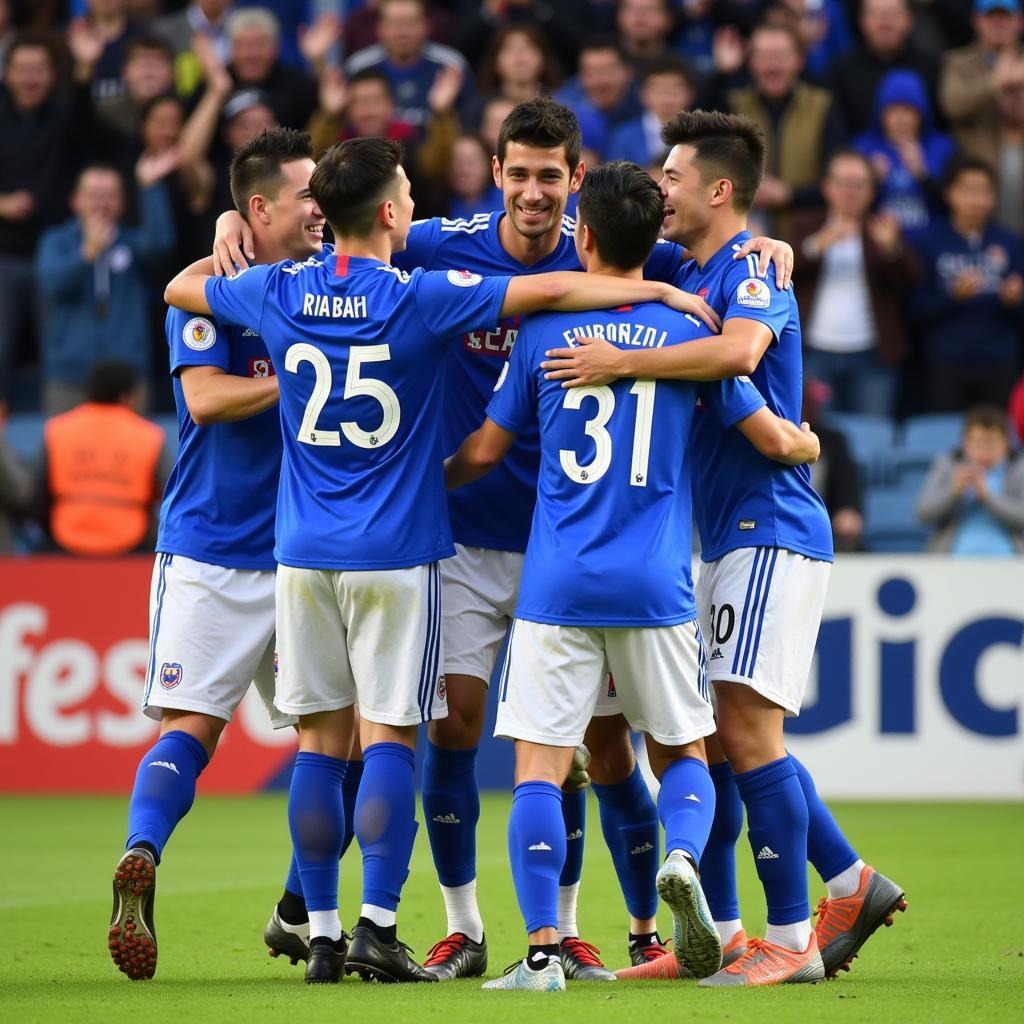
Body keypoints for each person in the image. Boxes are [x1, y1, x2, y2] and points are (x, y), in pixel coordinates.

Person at [211, 96, 793, 983]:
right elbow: (348, 207)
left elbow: (719, 247)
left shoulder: (624, 244)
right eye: (517, 174)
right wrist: (231, 216)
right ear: (496, 173)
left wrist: (769, 247)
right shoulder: (446, 244)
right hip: (481, 542)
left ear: (578, 182)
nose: (531, 193)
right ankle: (464, 926)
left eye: (548, 178)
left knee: (595, 750)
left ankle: (618, 930)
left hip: (561, 541)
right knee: (456, 722)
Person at [542, 109, 906, 986]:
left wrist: (624, 363)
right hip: (720, 536)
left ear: (719, 189)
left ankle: (791, 936)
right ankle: (814, 896)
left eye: (672, 177)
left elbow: (741, 350)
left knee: (743, 732)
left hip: (770, 525)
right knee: (712, 739)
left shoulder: (749, 273)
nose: (659, 190)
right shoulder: (689, 266)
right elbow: (598, 236)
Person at [444, 159, 819, 993]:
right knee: (684, 752)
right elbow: (759, 422)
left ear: (580, 236)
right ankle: (680, 858)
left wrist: (415, 487)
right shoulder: (695, 338)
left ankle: (542, 954)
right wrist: (804, 443)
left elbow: (484, 452)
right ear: (654, 243)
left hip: (557, 583)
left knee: (539, 768)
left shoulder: (544, 335)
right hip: (656, 585)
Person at [105, 127, 331, 983]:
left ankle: (298, 907)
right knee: (197, 728)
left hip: (306, 552)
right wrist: (308, 372)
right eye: (305, 196)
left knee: (336, 741)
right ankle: (143, 857)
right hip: (211, 544)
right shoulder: (204, 295)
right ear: (257, 208)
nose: (320, 210)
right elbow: (202, 399)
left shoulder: (322, 285)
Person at [34, 155, 176, 414]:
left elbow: (161, 245)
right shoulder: (56, 241)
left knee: (132, 450)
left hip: (127, 374)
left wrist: (149, 187)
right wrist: (86, 254)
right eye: (94, 195)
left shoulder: (130, 243)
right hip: (69, 375)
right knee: (67, 451)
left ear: (122, 203)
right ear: (75, 200)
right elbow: (52, 284)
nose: (102, 204)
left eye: (110, 196)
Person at [791, 149, 917, 417]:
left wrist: (892, 250)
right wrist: (817, 244)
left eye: (859, 185)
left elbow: (913, 280)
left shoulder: (882, 227)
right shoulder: (807, 225)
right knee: (812, 433)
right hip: (814, 350)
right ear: (827, 188)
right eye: (843, 184)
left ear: (871, 192)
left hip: (873, 355)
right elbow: (781, 272)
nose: (850, 192)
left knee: (873, 437)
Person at [909, 156, 1024, 412]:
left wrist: (1015, 301)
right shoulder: (930, 243)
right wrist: (953, 296)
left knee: (998, 438)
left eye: (984, 192)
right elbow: (915, 309)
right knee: (944, 436)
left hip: (1000, 359)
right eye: (968, 190)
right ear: (949, 193)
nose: (977, 200)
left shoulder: (1010, 242)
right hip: (945, 360)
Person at [35, 360, 168, 557]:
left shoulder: (57, 429)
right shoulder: (150, 435)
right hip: (131, 544)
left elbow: (36, 496)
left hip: (65, 542)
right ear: (126, 396)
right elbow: (169, 493)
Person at [725, 22, 846, 238]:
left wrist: (789, 195)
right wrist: (722, 74)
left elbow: (838, 180)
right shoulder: (733, 105)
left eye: (780, 56)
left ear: (799, 61)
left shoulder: (823, 106)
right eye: (763, 57)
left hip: (811, 235)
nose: (772, 66)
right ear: (751, 62)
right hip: (746, 237)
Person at [853, 69, 956, 239]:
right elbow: (847, 206)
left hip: (931, 243)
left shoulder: (944, 148)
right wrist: (872, 181)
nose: (901, 118)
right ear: (880, 113)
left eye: (909, 110)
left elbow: (954, 204)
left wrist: (923, 175)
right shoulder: (862, 147)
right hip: (876, 243)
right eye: (893, 110)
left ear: (922, 114)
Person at [916, 404, 1024, 553]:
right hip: (952, 564)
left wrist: (988, 497)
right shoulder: (948, 464)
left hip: (1010, 566)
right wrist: (953, 491)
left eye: (990, 443)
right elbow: (923, 514)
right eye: (977, 442)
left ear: (1006, 445)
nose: (983, 450)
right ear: (964, 443)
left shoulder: (1019, 468)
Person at [828, 0, 941, 138]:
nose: (885, 24)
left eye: (893, 15)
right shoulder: (841, 70)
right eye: (876, 15)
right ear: (862, 21)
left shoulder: (931, 67)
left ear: (910, 20)